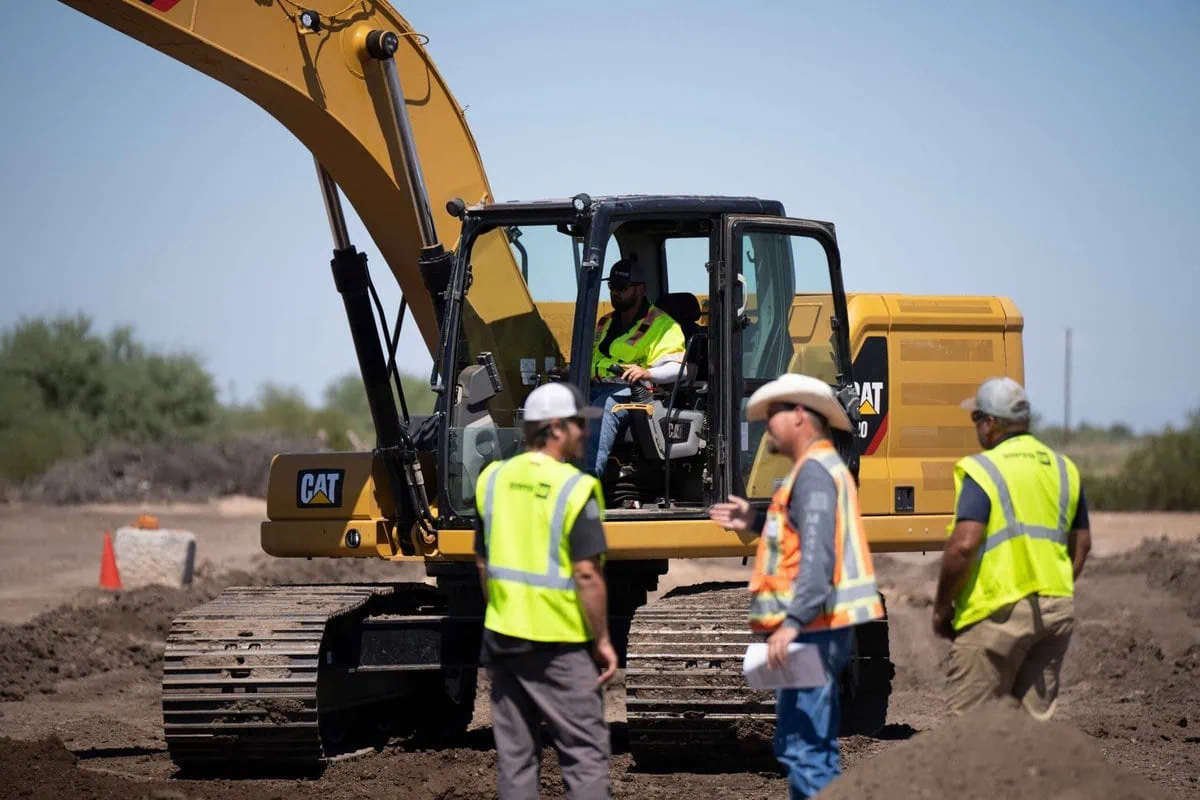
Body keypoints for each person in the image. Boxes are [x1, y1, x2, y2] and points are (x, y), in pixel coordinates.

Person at [708, 373, 884, 799]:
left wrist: (792, 623)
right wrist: (752, 520)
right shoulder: (813, 472)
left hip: (814, 629)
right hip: (816, 627)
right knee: (802, 744)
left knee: (805, 747)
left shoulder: (815, 474)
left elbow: (818, 557)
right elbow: (796, 534)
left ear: (801, 416)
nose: (766, 425)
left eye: (774, 415)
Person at [473, 381, 618, 800]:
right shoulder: (575, 488)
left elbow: (483, 563)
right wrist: (603, 640)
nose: (584, 433)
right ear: (555, 428)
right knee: (585, 755)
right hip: (560, 645)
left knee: (516, 759)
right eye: (578, 425)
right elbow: (587, 573)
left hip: (503, 640)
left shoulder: (493, 480)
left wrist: (503, 611)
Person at [932, 376, 1092, 721]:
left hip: (997, 612)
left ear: (989, 423)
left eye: (976, 419)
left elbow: (963, 546)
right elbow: (1082, 546)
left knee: (967, 733)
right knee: (1033, 736)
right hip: (1055, 615)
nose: (976, 428)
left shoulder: (984, 469)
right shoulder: (1065, 469)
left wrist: (943, 607)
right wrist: (1052, 588)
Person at [584, 257, 686, 477]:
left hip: (636, 394)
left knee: (605, 406)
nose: (615, 293)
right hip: (596, 386)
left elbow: (680, 368)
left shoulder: (663, 325)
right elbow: (594, 358)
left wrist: (647, 372)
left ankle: (587, 481)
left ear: (640, 289)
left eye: (621, 288)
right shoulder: (606, 321)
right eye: (612, 287)